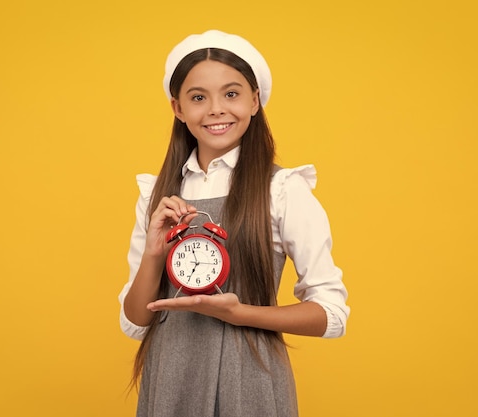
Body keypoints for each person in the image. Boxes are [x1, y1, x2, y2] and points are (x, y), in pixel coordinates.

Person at [118, 29, 349, 417]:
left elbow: (331, 315)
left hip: (250, 378)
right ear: (177, 109)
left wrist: (239, 313)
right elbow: (137, 320)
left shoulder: (282, 189)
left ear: (255, 100)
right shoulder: (156, 195)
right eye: (197, 97)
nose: (215, 110)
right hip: (170, 377)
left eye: (231, 93)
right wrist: (155, 253)